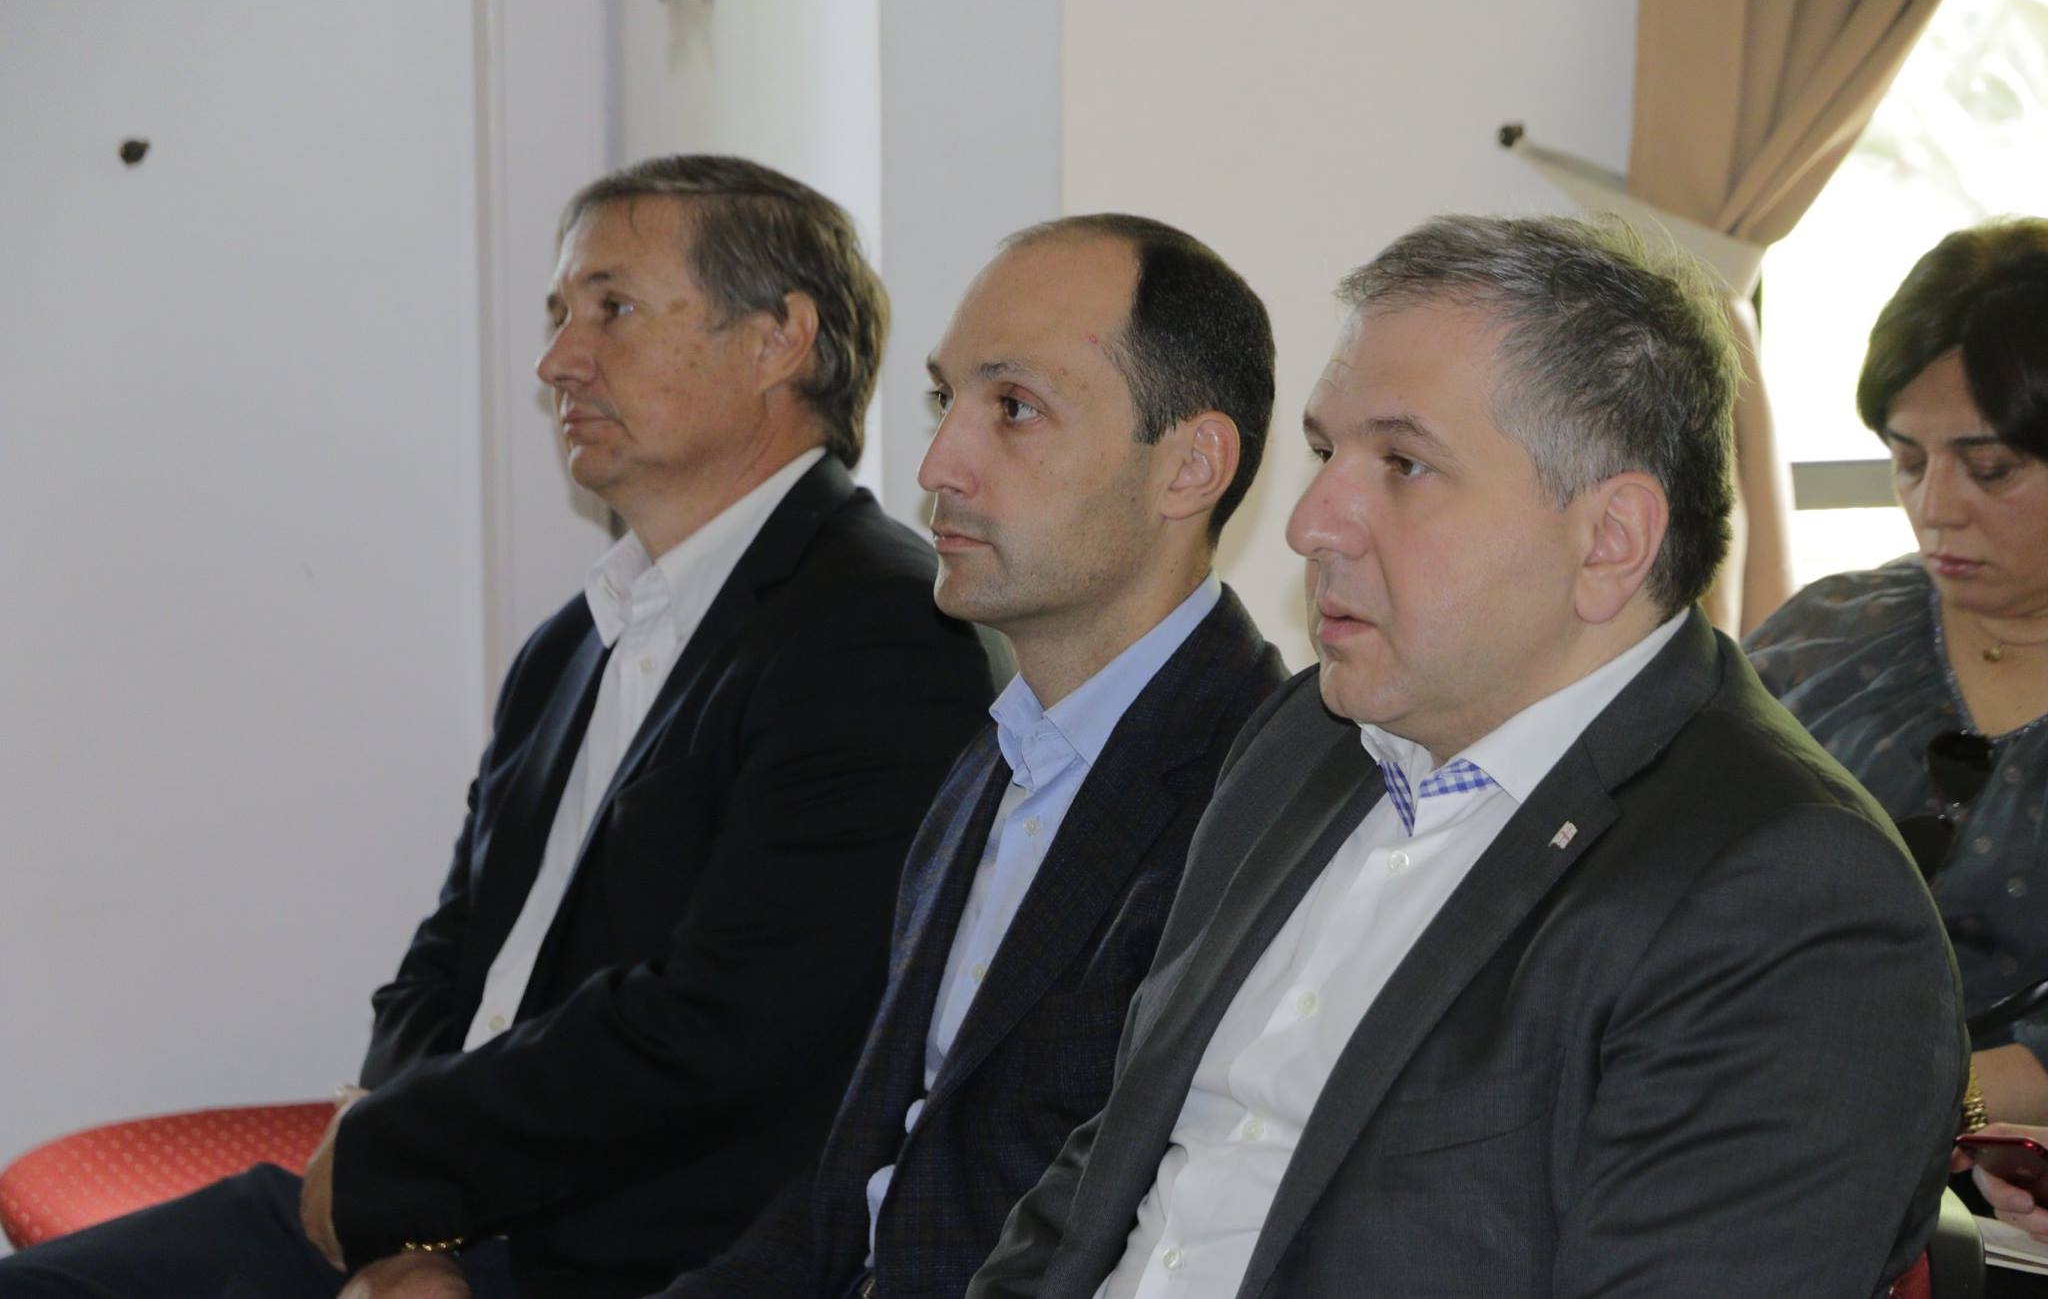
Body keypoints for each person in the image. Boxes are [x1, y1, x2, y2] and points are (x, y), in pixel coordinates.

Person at [0, 156, 993, 1299]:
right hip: (441, 1218)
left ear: (778, 340)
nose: (556, 360)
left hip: (628, 1260)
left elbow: (728, 1031)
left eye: (611, 308)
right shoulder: (572, 642)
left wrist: (407, 1183)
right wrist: (404, 1230)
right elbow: (443, 967)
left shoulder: (877, 629)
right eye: (559, 314)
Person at [966, 214, 1966, 1299]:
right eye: (1325, 452)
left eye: (1403, 464)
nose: (1310, 523)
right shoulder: (1305, 741)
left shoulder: (1788, 902)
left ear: (1610, 541)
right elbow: (1105, 1176)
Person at [657, 215, 1287, 1299]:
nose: (939, 464)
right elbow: (858, 1192)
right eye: (946, 399)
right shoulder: (992, 759)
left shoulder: (1261, 800)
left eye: (1015, 408)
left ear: (1190, 466)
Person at [1746, 218, 2048, 1129]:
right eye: (1907, 460)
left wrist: (1908, 1106)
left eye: (1989, 468)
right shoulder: (1827, 639)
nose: (1934, 507)